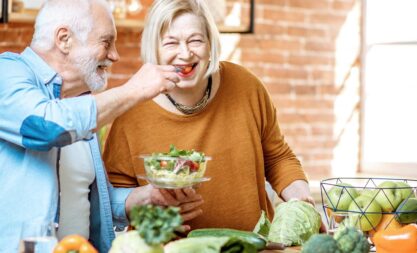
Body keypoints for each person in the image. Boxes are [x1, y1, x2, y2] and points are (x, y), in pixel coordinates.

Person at [103, 0, 324, 232]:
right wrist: (152, 209)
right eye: (171, 43)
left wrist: (303, 204)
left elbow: (278, 158)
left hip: (253, 245)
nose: (185, 53)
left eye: (195, 40)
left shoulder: (247, 86)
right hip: (167, 247)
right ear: (154, 49)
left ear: (210, 44)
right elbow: (115, 194)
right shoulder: (132, 108)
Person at [0, 0, 203, 252]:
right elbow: (45, 126)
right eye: (107, 42)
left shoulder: (81, 103)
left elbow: (88, 200)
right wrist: (135, 89)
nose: (115, 55)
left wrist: (145, 198)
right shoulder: (6, 72)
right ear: (64, 39)